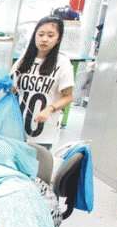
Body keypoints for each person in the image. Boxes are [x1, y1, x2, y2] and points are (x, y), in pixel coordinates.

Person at [11, 16, 75, 147]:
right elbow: (13, 90)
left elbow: (68, 97)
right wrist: (4, 85)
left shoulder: (62, 63)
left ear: (58, 39)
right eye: (40, 34)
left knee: (37, 160)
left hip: (43, 133)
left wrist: (50, 109)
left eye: (50, 35)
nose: (44, 39)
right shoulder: (24, 59)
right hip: (16, 128)